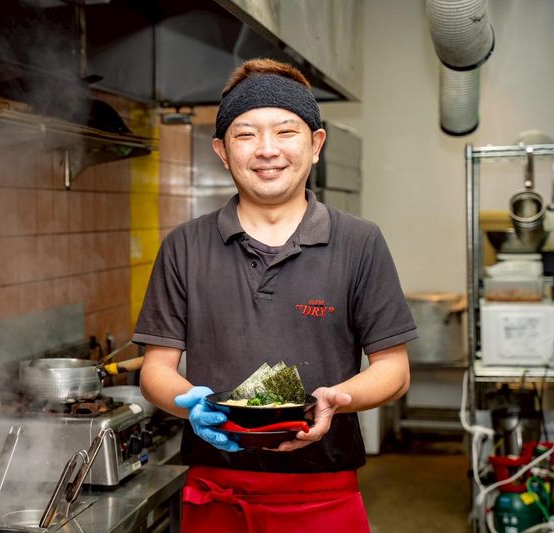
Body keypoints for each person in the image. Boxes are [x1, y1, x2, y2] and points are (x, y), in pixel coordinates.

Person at [133, 57, 417, 532]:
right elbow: (156, 370)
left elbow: (394, 369)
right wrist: (191, 402)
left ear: (316, 144)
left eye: (286, 132)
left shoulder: (359, 241)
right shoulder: (184, 245)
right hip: (215, 492)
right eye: (246, 135)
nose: (267, 150)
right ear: (223, 151)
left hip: (325, 494)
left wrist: (337, 399)